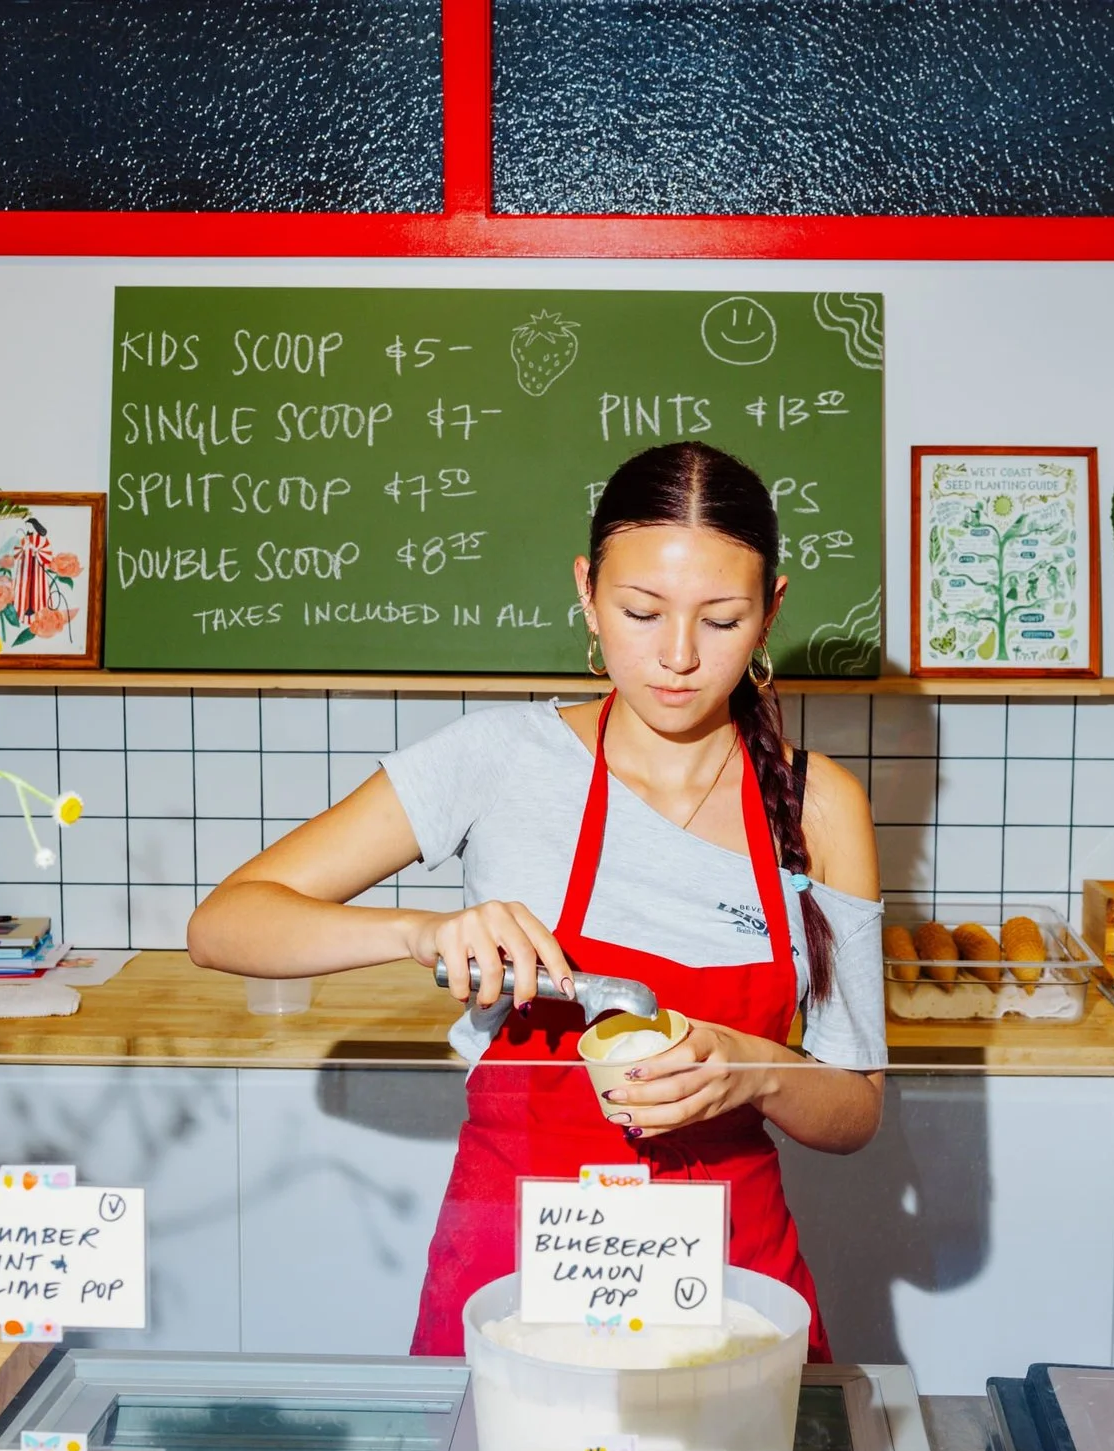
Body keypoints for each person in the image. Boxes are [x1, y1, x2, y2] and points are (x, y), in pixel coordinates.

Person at [189, 441, 887, 1360]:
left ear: (772, 613)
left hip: (726, 1275)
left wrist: (751, 1068)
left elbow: (856, 1112)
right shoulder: (497, 760)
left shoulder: (821, 802)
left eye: (721, 620)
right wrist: (421, 930)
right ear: (587, 594)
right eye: (641, 612)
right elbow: (224, 923)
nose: (677, 657)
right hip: (517, 1263)